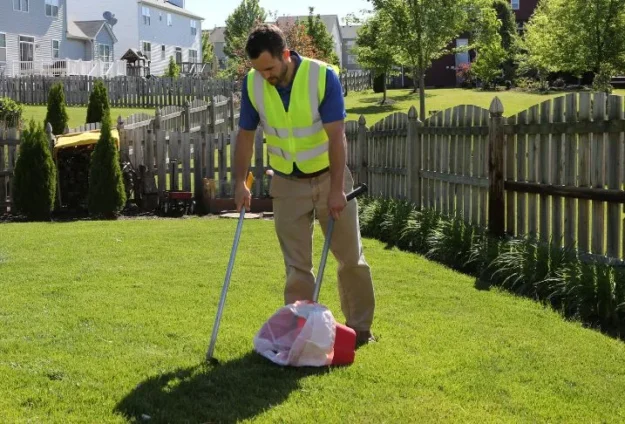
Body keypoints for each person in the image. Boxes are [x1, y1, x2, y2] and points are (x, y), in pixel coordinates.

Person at [232, 23, 376, 346]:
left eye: (269, 67)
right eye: (258, 69)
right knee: (297, 266)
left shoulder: (322, 77)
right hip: (286, 183)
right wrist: (240, 182)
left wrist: (337, 189)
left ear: (286, 54)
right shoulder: (253, 85)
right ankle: (299, 330)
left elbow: (337, 137)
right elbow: (244, 137)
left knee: (350, 258)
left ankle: (360, 330)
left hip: (329, 177)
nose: (265, 75)